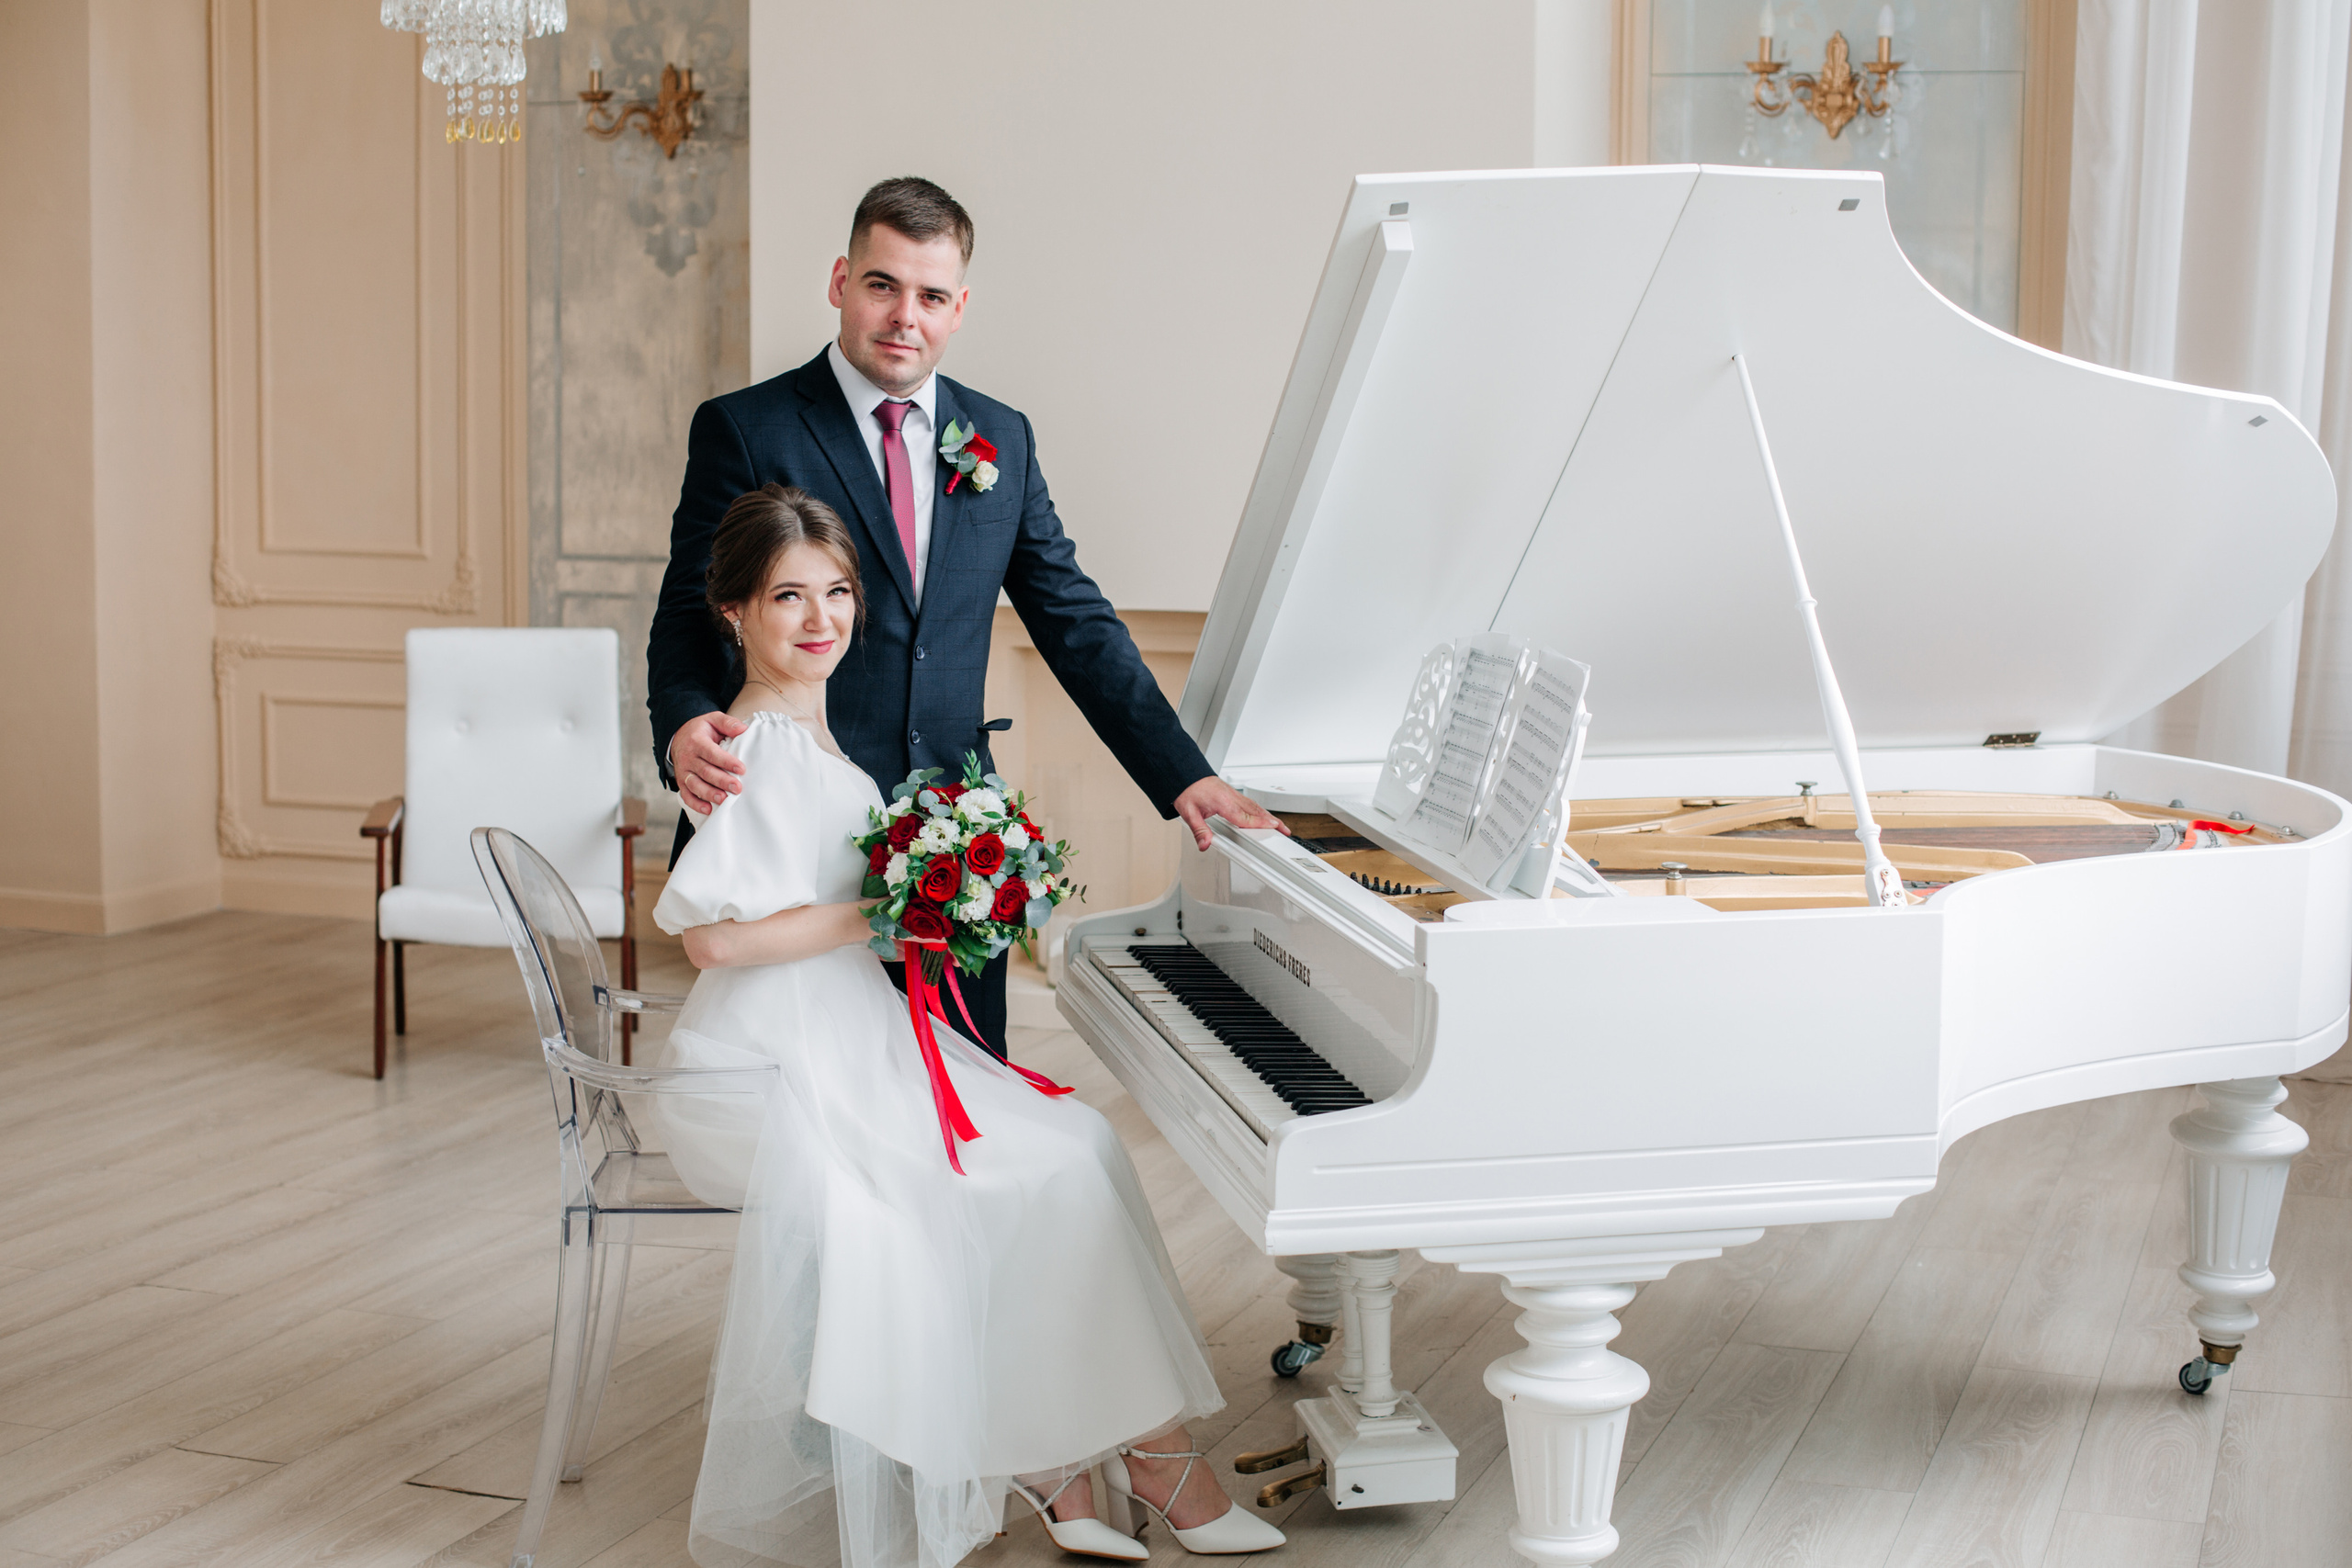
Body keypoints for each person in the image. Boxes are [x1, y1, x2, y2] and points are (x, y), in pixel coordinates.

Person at [652, 485, 1284, 1568]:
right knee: (1029, 1171)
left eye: (838, 593)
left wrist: (945, 902)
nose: (821, 620)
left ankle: (1081, 1462)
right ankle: (1143, 1465)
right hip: (776, 1057)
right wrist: (892, 907)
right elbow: (711, 943)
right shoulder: (747, 749)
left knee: (1076, 1146)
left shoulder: (816, 736)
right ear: (732, 613)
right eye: (788, 597)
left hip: (846, 1025)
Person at [647, 175, 1285, 1058]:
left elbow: (1072, 618)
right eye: (882, 285)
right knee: (831, 1117)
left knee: (965, 1098)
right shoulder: (749, 428)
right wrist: (683, 723)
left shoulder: (1002, 437)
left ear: (959, 308)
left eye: (931, 295)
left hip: (953, 848)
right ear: (841, 282)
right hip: (804, 843)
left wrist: (1183, 774)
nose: (905, 315)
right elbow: (688, 607)